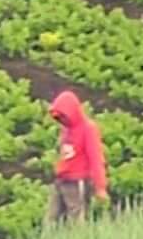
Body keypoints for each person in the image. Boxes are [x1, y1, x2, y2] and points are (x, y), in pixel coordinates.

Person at [46, 89, 108, 225]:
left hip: (77, 181)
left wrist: (100, 187)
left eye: (63, 117)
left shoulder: (88, 129)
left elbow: (96, 158)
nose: (61, 121)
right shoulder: (65, 130)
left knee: (77, 221)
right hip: (62, 180)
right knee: (51, 220)